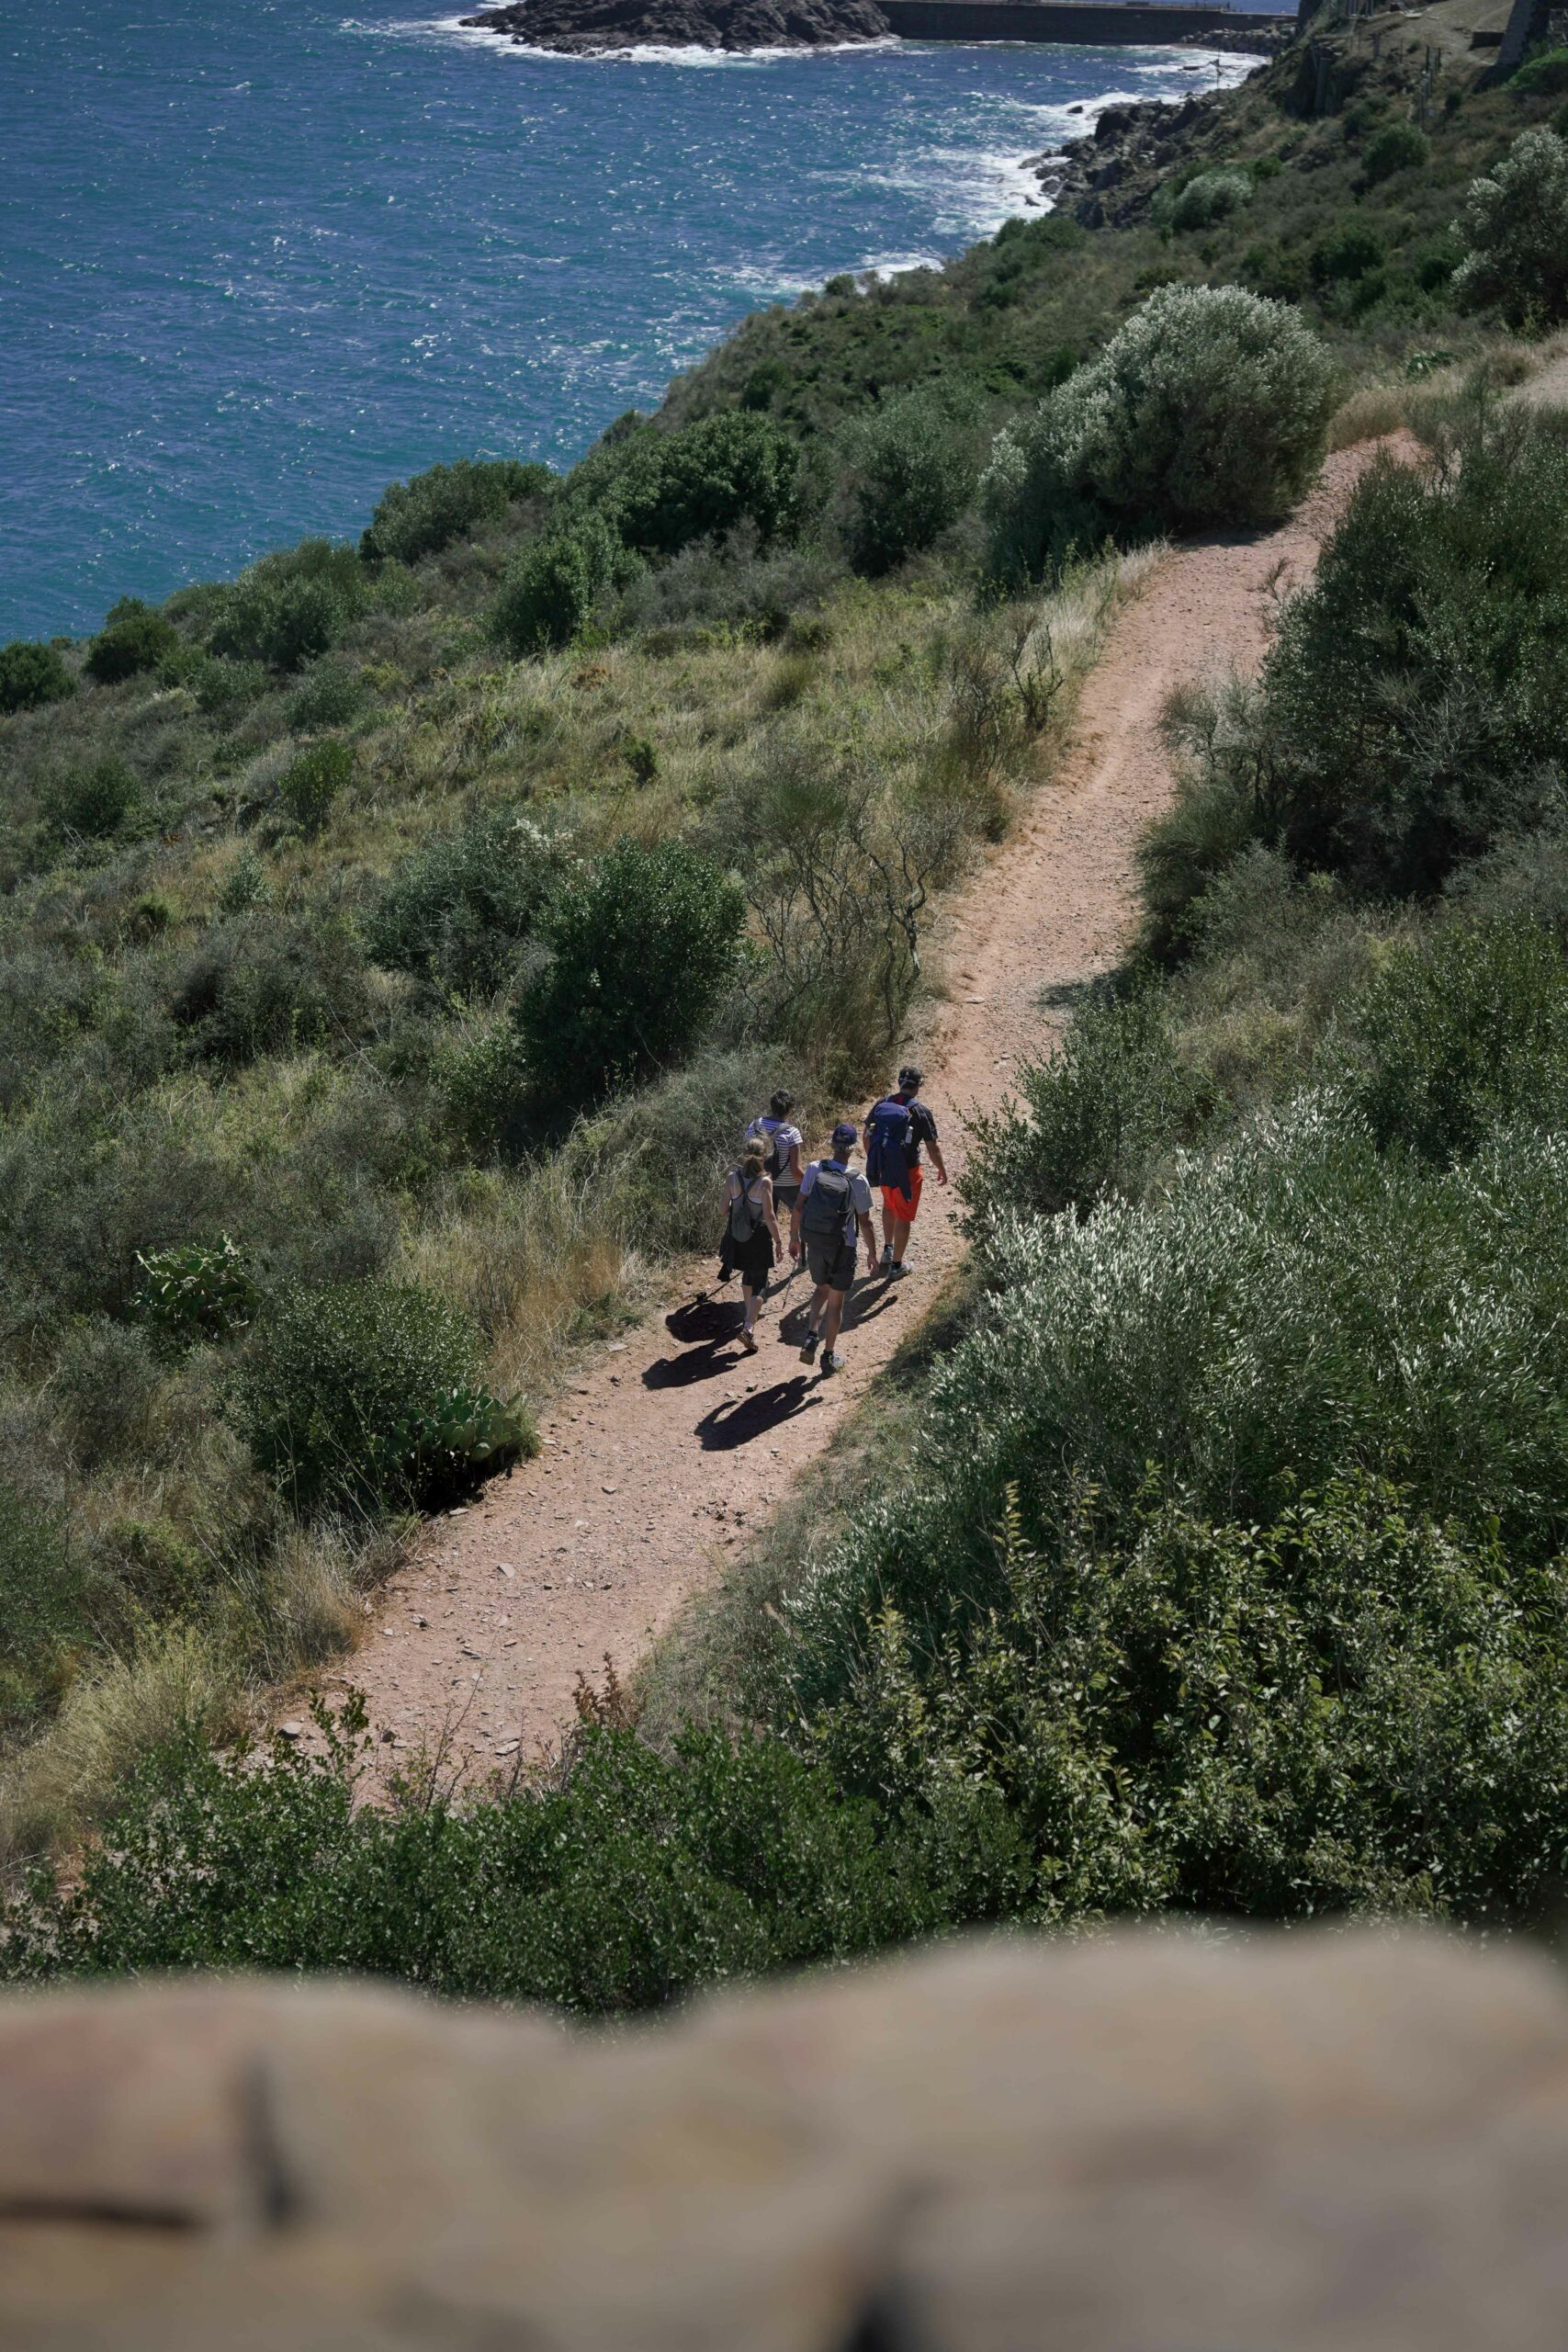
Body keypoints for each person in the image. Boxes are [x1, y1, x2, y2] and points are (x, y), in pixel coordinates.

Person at [791, 1121, 877, 1376]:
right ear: (851, 1148)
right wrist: (872, 1253)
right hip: (843, 1246)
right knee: (836, 1303)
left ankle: (810, 1335)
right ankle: (828, 1355)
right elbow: (866, 1222)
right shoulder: (858, 1179)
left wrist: (794, 1238)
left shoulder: (814, 1169)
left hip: (815, 1241)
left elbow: (798, 1207)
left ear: (832, 1144)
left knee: (820, 1289)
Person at [863, 1064, 947, 1277]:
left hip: (884, 1169)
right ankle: (897, 1265)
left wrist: (876, 1160)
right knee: (904, 1217)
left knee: (889, 1207)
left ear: (899, 1082)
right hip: (908, 1172)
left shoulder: (883, 1103)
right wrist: (941, 1169)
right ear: (918, 1086)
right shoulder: (921, 1111)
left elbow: (866, 1135)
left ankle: (887, 1250)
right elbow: (932, 1147)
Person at [724, 1134, 783, 1354]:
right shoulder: (765, 1182)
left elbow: (722, 1210)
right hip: (758, 1237)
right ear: (764, 1156)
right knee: (761, 1283)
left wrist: (738, 1210)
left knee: (748, 1276)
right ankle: (748, 1328)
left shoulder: (732, 1178)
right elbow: (770, 1216)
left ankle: (748, 1317)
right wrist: (778, 1241)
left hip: (738, 1237)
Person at [745, 1090, 805, 1236]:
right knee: (804, 1215)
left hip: (760, 1182)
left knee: (764, 1223)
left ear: (771, 1106)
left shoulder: (755, 1125)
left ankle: (766, 1251)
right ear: (790, 1109)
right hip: (787, 1186)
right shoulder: (792, 1132)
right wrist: (810, 1182)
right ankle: (798, 1246)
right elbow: (796, 1171)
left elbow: (747, 1154)